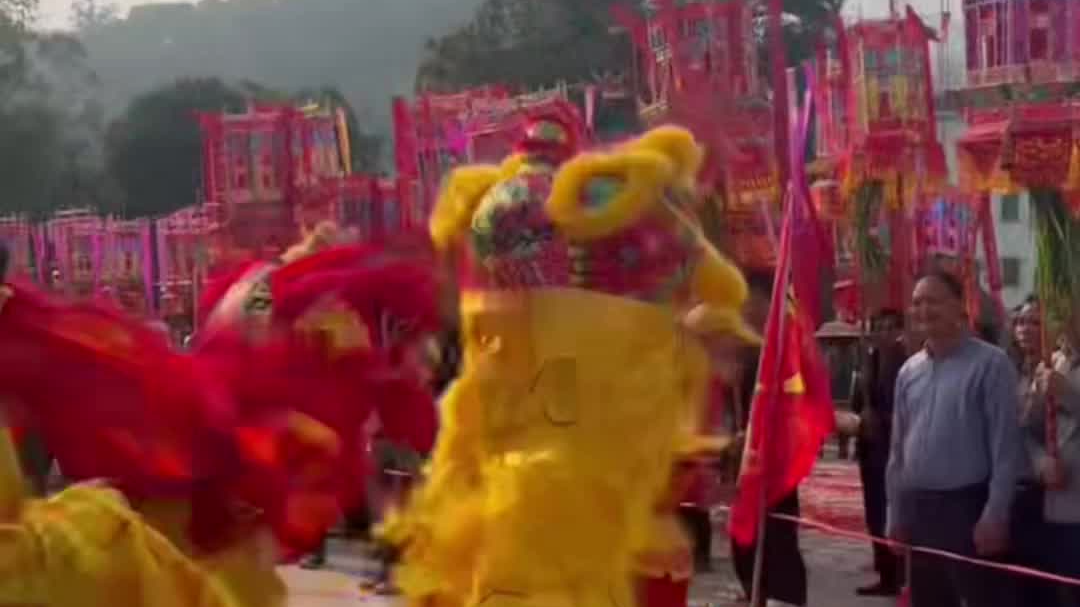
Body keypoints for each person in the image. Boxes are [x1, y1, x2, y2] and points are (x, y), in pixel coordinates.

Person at [382, 123, 760, 607]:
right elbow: (699, 271)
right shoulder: (605, 204)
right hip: (583, 468)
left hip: (520, 447)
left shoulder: (493, 206)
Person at [886, 270, 1026, 607]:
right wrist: (895, 513)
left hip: (967, 509)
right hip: (919, 510)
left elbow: (1005, 449)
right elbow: (897, 452)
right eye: (917, 302)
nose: (923, 310)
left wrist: (995, 514)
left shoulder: (991, 364)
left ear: (959, 307)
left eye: (933, 301)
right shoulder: (909, 371)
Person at [729, 272, 807, 607]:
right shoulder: (744, 352)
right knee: (743, 540)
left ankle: (785, 598)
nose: (745, 309)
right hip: (744, 464)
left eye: (750, 302)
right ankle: (754, 593)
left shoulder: (784, 353)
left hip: (777, 467)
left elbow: (797, 409)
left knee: (778, 540)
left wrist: (764, 437)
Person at [850, 308, 907, 597]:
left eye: (889, 327)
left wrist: (881, 421)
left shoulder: (905, 364)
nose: (883, 333)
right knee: (874, 514)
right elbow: (857, 403)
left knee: (891, 513)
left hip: (893, 450)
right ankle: (884, 572)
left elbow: (905, 413)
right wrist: (861, 417)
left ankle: (900, 575)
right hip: (870, 452)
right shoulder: (867, 361)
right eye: (879, 327)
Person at [1029, 303, 1080, 605]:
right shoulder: (1052, 363)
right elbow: (1026, 431)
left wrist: (1071, 397)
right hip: (1059, 509)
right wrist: (1040, 463)